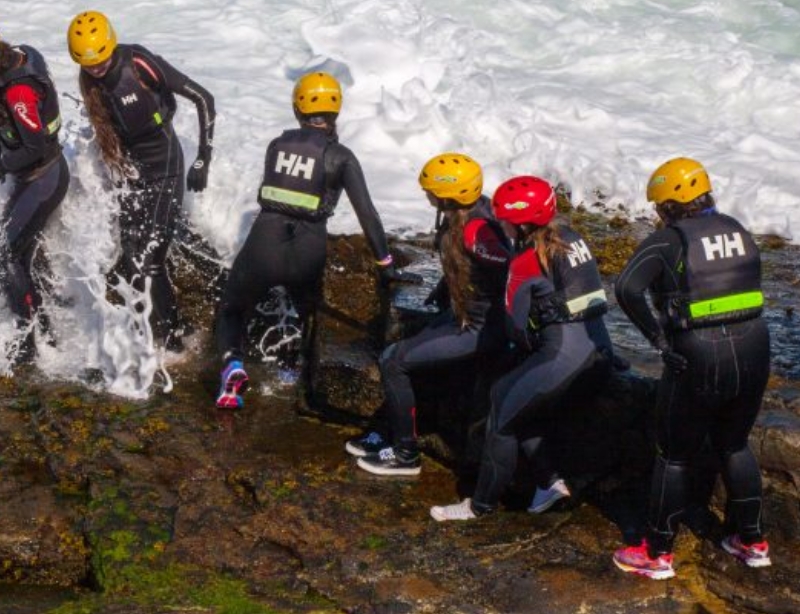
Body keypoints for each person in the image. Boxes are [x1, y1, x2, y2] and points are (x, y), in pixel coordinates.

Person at [214, 71, 420, 409]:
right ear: (336, 111)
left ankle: (233, 367)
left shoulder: (277, 145)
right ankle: (294, 372)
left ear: (297, 107)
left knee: (232, 309)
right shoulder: (342, 156)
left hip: (265, 242)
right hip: (309, 250)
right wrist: (386, 265)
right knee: (307, 309)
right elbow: (367, 213)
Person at [611, 158, 771, 579]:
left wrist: (658, 340)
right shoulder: (739, 229)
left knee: (674, 456)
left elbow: (626, 287)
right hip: (754, 346)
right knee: (734, 445)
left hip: (698, 353)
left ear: (669, 204)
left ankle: (657, 551)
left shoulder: (668, 241)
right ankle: (752, 541)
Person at [429, 175, 612, 518]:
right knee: (522, 406)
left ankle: (479, 506)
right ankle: (549, 482)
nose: (502, 226)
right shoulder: (573, 239)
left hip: (562, 360)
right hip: (602, 355)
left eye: (505, 221)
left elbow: (515, 328)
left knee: (501, 410)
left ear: (521, 222)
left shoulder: (524, 262)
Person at [348, 153, 513, 476]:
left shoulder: (479, 232)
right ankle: (389, 432)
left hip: (479, 329)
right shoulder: (468, 215)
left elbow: (512, 273)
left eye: (430, 191)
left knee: (393, 360)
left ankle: (405, 454)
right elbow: (466, 266)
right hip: (464, 317)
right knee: (411, 345)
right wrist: (445, 290)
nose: (426, 196)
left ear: (448, 196)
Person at [67, 10, 216, 351]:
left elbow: (203, 98)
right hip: (133, 175)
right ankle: (159, 331)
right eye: (87, 63)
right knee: (132, 254)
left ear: (111, 44)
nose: (96, 68)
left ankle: (175, 337)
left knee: (149, 258)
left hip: (166, 169)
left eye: (101, 59)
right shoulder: (89, 81)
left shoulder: (139, 63)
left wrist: (204, 156)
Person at [1, 37, 69, 364]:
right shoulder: (25, 53)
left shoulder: (17, 92)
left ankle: (26, 344)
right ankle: (46, 333)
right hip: (37, 177)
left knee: (5, 254)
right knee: (21, 258)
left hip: (44, 178)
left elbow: (34, 147)